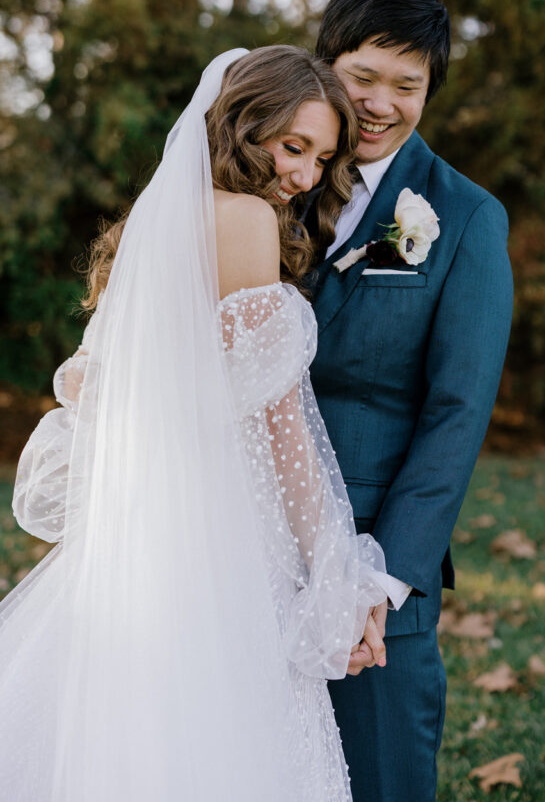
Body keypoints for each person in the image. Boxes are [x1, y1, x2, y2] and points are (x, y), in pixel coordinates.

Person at [0, 46, 394, 802]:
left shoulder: (152, 227)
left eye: (322, 156)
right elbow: (284, 434)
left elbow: (85, 387)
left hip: (135, 541)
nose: (307, 176)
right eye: (292, 147)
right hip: (226, 544)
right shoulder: (245, 221)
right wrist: (335, 578)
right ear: (243, 130)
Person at [308, 0, 514, 801]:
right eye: (361, 76)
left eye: (407, 85)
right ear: (327, 64)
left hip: (372, 558)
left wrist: (379, 579)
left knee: (379, 780)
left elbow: (455, 413)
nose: (379, 104)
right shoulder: (269, 183)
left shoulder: (462, 218)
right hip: (241, 542)